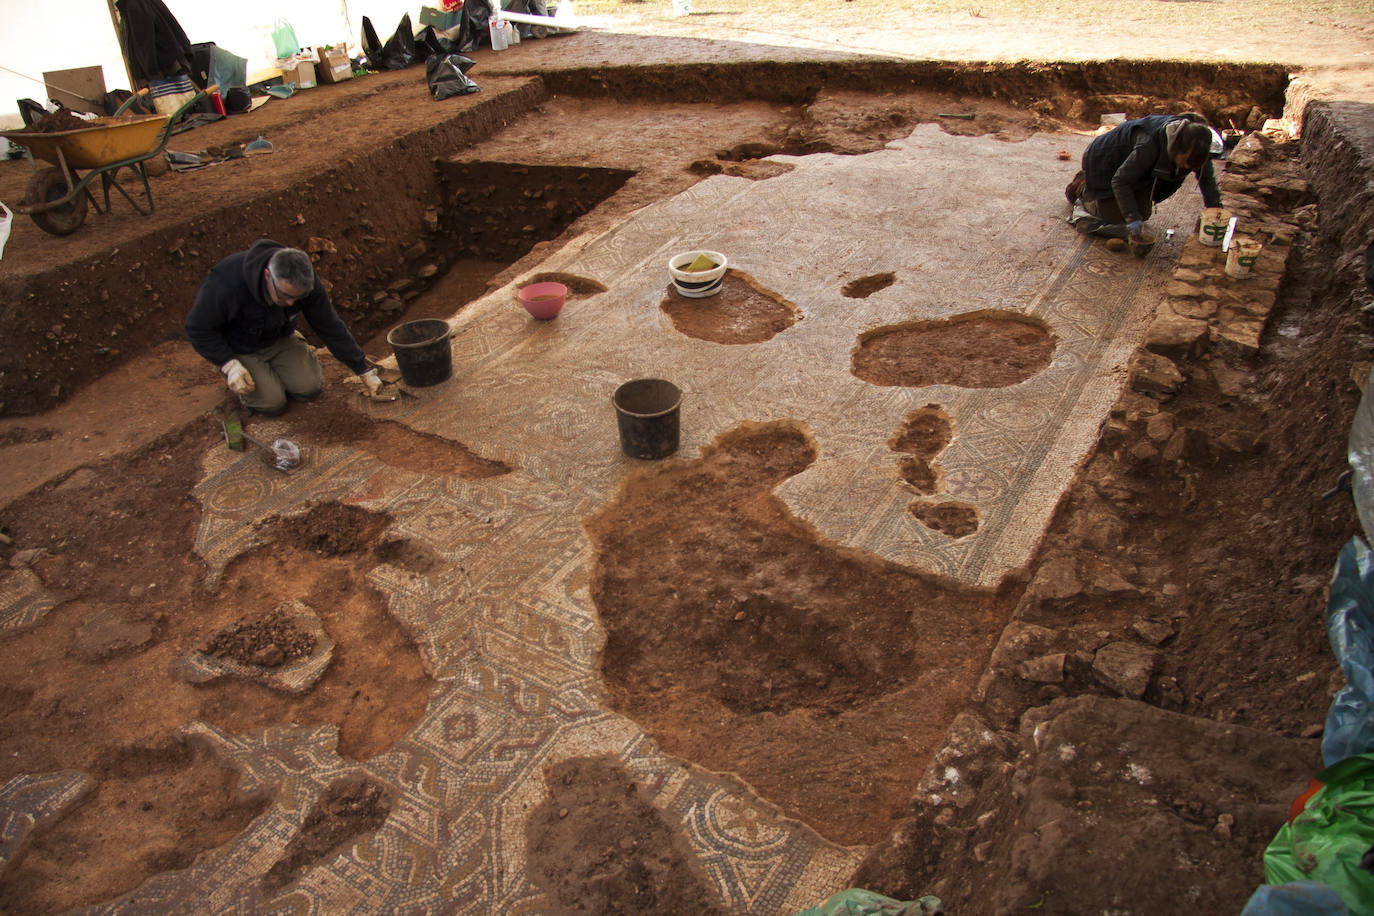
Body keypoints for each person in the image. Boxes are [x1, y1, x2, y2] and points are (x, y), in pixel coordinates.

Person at [185, 239, 381, 415]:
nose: (290, 303)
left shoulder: (305, 281)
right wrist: (229, 364)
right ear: (267, 275)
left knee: (309, 388)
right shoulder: (227, 284)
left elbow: (328, 324)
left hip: (278, 337)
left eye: (297, 298)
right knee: (273, 404)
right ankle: (249, 377)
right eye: (284, 295)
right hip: (240, 347)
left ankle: (274, 373)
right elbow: (197, 328)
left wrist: (361, 368)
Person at [1065, 112, 1222, 247]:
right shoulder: (1149, 144)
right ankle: (1083, 187)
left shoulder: (1199, 145)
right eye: (1185, 163)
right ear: (1177, 149)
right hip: (1104, 163)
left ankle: (1119, 196)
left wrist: (1216, 212)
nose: (1187, 169)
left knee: (1143, 214)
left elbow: (1207, 180)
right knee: (1116, 217)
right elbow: (1120, 181)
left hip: (1132, 167)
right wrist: (1132, 219)